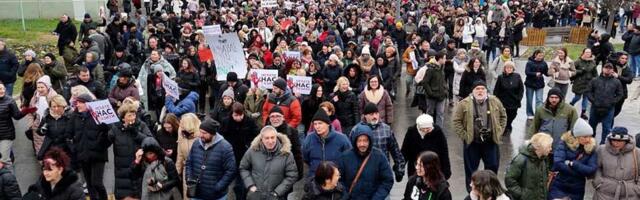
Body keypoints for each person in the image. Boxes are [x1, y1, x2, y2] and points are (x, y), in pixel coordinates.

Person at [452, 80, 507, 192]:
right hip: (472, 143)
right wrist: (465, 136)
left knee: (492, 168)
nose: (480, 91)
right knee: (471, 171)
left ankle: (490, 191)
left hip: (491, 142)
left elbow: (503, 116)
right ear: (473, 91)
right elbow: (456, 121)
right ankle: (472, 193)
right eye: (477, 89)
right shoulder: (464, 103)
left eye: (482, 89)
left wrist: (498, 131)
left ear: (486, 90)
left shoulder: (495, 101)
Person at [69, 93, 110, 200]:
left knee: (97, 183)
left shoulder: (98, 114)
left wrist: (103, 139)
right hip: (83, 154)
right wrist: (74, 148)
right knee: (89, 185)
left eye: (80, 103)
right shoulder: (74, 116)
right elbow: (68, 134)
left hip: (98, 154)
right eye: (76, 103)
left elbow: (109, 133)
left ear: (88, 104)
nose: (77, 105)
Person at [239, 126, 299, 200]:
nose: (270, 141)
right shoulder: (252, 151)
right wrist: (250, 185)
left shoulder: (286, 154)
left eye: (272, 137)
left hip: (276, 197)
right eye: (267, 138)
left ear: (276, 137)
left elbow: (292, 175)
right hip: (255, 196)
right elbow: (243, 168)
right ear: (262, 139)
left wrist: (277, 192)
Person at [108, 103, 152, 199]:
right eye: (129, 115)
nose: (133, 117)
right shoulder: (116, 128)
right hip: (122, 172)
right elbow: (104, 144)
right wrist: (104, 131)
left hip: (138, 169)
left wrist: (135, 133)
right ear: (123, 118)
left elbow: (150, 142)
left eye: (134, 114)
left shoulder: (141, 126)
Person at [337, 124, 394, 200]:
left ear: (370, 141)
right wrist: (345, 196)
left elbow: (387, 180)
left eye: (365, 140)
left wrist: (377, 198)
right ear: (355, 141)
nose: (362, 144)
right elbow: (338, 180)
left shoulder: (379, 156)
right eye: (359, 141)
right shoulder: (345, 157)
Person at [184, 118, 236, 200]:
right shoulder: (196, 143)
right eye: (200, 131)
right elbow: (189, 162)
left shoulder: (225, 147)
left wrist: (218, 187)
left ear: (213, 133)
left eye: (204, 133)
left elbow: (231, 171)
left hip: (216, 196)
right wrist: (188, 178)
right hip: (197, 193)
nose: (201, 135)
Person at [355, 102, 406, 182]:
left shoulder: (386, 129)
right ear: (365, 115)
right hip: (363, 173)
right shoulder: (356, 130)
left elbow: (395, 151)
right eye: (371, 114)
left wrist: (400, 169)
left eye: (376, 113)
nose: (375, 116)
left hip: (382, 172)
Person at [548, 119, 598, 200]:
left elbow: (591, 170)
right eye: (585, 137)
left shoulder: (591, 148)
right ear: (577, 136)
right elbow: (558, 164)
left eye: (590, 136)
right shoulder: (564, 143)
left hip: (577, 189)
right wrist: (580, 172)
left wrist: (573, 164)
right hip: (560, 185)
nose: (588, 139)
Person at [219, 102, 259, 200]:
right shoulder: (226, 121)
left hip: (244, 155)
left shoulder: (249, 121)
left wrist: (249, 145)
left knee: (241, 182)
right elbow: (220, 136)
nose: (238, 118)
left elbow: (256, 135)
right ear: (232, 114)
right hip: (230, 155)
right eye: (235, 115)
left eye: (240, 115)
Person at [593, 127, 640, 200]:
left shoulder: (637, 152)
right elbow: (596, 167)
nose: (615, 143)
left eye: (620, 141)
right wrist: (598, 182)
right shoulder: (602, 150)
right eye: (613, 140)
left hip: (630, 194)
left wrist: (637, 188)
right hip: (604, 193)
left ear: (626, 141)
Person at [505, 133, 554, 200]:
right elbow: (509, 179)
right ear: (540, 147)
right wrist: (522, 195)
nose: (551, 149)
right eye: (549, 146)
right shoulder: (521, 160)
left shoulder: (544, 159)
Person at [303, 109, 352, 176]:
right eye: (315, 124)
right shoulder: (309, 138)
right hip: (315, 179)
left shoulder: (342, 139)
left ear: (328, 124)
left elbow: (349, 158)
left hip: (335, 179)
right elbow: (306, 158)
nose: (317, 126)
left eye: (320, 123)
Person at [401, 114, 451, 179]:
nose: (425, 131)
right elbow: (405, 151)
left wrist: (446, 171)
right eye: (422, 129)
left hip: (433, 169)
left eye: (428, 129)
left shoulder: (438, 132)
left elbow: (444, 152)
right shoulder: (411, 132)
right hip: (415, 169)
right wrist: (400, 169)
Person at [0, 81, 36, 166]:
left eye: (2, 88)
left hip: (6, 134)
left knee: (3, 160)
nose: (1, 91)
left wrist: (26, 111)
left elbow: (16, 116)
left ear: (5, 89)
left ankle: (9, 178)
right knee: (6, 160)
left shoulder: (10, 101)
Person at [587, 63, 623, 144]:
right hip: (595, 107)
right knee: (591, 127)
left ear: (612, 70)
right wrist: (593, 101)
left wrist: (612, 102)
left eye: (610, 68)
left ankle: (603, 146)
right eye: (606, 68)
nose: (608, 69)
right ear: (602, 69)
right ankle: (590, 144)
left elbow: (620, 94)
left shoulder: (616, 82)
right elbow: (588, 91)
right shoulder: (594, 80)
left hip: (609, 109)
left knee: (607, 128)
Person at [266, 106, 303, 180]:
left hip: (286, 173)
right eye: (272, 116)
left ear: (283, 118)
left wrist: (299, 172)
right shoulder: (265, 131)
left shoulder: (291, 131)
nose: (275, 119)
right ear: (269, 119)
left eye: (278, 116)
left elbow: (297, 153)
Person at [27, 75, 59, 156]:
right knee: (40, 149)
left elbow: (60, 113)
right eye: (38, 87)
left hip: (50, 127)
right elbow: (30, 110)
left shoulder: (54, 97)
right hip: (37, 125)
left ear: (47, 87)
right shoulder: (35, 96)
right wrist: (31, 123)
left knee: (51, 149)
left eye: (42, 87)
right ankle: (43, 165)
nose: (40, 90)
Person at [36, 95, 73, 161]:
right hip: (51, 147)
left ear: (63, 105)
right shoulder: (47, 116)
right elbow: (39, 131)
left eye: (58, 106)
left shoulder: (69, 116)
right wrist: (42, 131)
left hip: (66, 148)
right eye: (54, 106)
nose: (56, 109)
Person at [493, 61, 524, 134]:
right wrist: (495, 100)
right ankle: (505, 127)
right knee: (504, 115)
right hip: (503, 100)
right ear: (504, 68)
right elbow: (496, 89)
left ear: (513, 69)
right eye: (507, 67)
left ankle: (509, 124)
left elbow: (521, 88)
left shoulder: (517, 76)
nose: (509, 69)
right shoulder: (501, 77)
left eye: (511, 68)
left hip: (514, 100)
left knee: (513, 114)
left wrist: (519, 98)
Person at [570, 48, 598, 119]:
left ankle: (583, 113)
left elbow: (595, 72)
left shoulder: (593, 62)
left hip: (588, 83)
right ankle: (571, 104)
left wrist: (596, 80)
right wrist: (580, 71)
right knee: (577, 97)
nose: (588, 54)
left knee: (586, 98)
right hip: (579, 82)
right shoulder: (578, 61)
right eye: (586, 52)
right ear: (583, 53)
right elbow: (572, 70)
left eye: (589, 52)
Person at [524, 49, 549, 119]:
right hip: (530, 84)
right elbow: (527, 72)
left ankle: (538, 114)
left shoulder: (544, 63)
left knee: (539, 100)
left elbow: (546, 73)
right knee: (529, 99)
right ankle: (529, 113)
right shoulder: (529, 63)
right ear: (535, 55)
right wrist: (535, 74)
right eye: (539, 55)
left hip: (539, 84)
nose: (541, 57)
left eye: (542, 56)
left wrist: (551, 72)